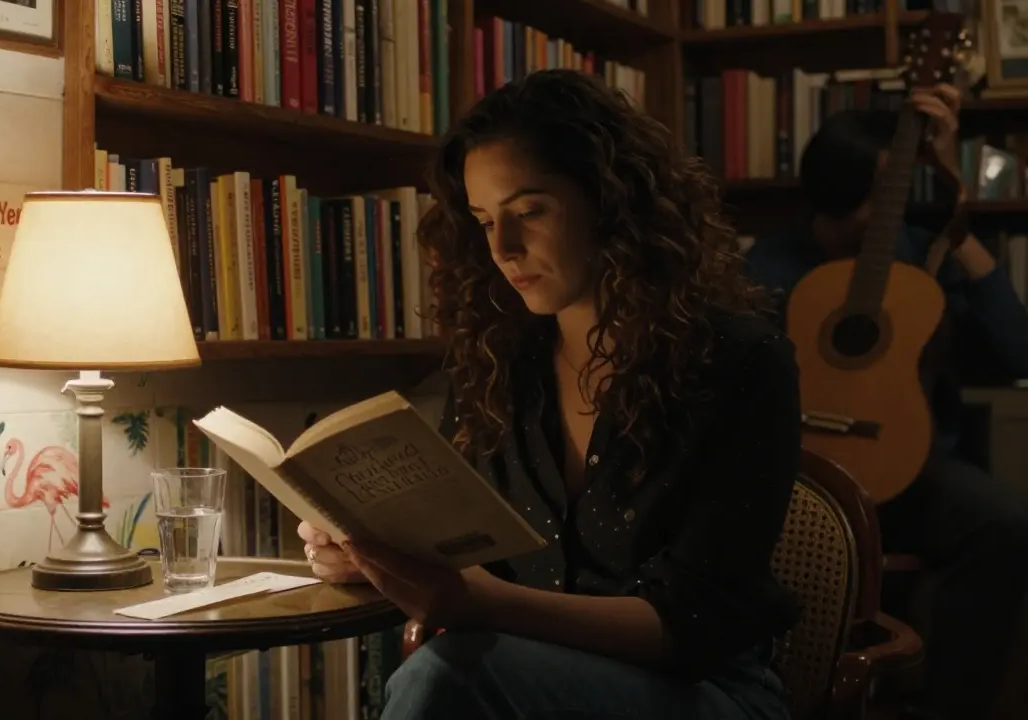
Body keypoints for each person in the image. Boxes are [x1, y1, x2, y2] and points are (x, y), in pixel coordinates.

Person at [298, 69, 801, 720]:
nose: (504, 249)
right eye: (484, 222)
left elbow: (692, 628)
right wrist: (375, 556)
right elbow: (468, 555)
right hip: (517, 680)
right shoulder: (495, 363)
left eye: (529, 211)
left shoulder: (740, 363)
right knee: (444, 674)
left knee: (445, 677)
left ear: (609, 200)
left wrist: (477, 604)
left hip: (703, 692)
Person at [745, 87, 1028, 720]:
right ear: (838, 190)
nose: (889, 208)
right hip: (806, 479)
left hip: (914, 474)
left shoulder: (924, 251)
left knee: (1007, 523)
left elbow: (1019, 353)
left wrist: (960, 220)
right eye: (879, 192)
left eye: (898, 188)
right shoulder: (769, 265)